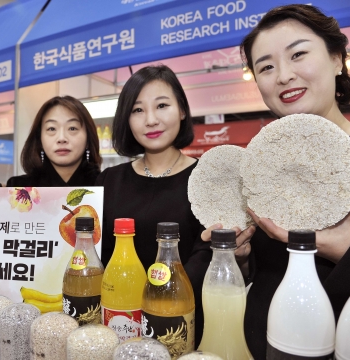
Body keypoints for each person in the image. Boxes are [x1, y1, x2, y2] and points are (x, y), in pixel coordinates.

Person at [236, 4, 350, 358]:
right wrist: (238, 258)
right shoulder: (259, 167)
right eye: (266, 67)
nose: (283, 75)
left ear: (336, 59)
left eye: (298, 54)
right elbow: (267, 270)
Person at [95, 65, 253, 346]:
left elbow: (210, 261)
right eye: (138, 110)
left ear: (182, 110)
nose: (151, 120)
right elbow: (98, 256)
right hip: (118, 326)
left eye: (162, 105)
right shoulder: (109, 181)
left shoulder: (209, 180)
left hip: (183, 329)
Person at [6, 96, 101, 187]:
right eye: (51, 129)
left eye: (72, 128)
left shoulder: (106, 185)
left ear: (88, 139)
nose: (62, 138)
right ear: (39, 140)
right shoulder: (18, 187)